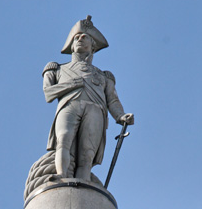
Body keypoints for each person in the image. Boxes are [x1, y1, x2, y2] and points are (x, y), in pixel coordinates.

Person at [42, 16, 134, 183]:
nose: (79, 39)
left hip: (96, 109)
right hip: (69, 105)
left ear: (93, 46)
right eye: (76, 37)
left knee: (87, 153)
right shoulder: (57, 69)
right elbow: (48, 93)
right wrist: (73, 84)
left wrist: (120, 116)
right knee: (64, 140)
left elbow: (112, 100)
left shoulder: (104, 75)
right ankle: (62, 175)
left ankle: (83, 183)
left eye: (84, 37)